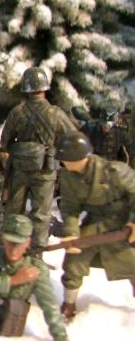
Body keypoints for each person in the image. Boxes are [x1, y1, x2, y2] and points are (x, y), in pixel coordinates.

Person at [55, 131, 135, 320]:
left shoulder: (114, 171)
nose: (63, 163)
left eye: (66, 159)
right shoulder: (68, 177)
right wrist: (71, 233)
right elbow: (70, 207)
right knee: (74, 260)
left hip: (123, 222)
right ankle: (69, 304)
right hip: (95, 223)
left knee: (132, 262)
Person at [1, 67, 76, 252]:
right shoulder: (55, 113)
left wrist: (21, 151)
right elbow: (72, 139)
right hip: (45, 170)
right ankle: (37, 253)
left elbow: (5, 142)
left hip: (19, 169)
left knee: (14, 211)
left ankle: (11, 251)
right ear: (44, 87)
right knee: (41, 214)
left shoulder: (17, 112)